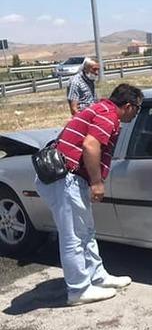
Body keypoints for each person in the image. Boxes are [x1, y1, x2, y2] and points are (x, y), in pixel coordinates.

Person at [35, 83, 143, 305]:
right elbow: (91, 146)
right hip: (67, 180)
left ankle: (97, 276)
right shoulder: (108, 115)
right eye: (138, 109)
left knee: (86, 232)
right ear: (129, 106)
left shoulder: (100, 109)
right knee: (73, 236)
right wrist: (96, 182)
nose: (136, 114)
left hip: (69, 179)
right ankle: (78, 289)